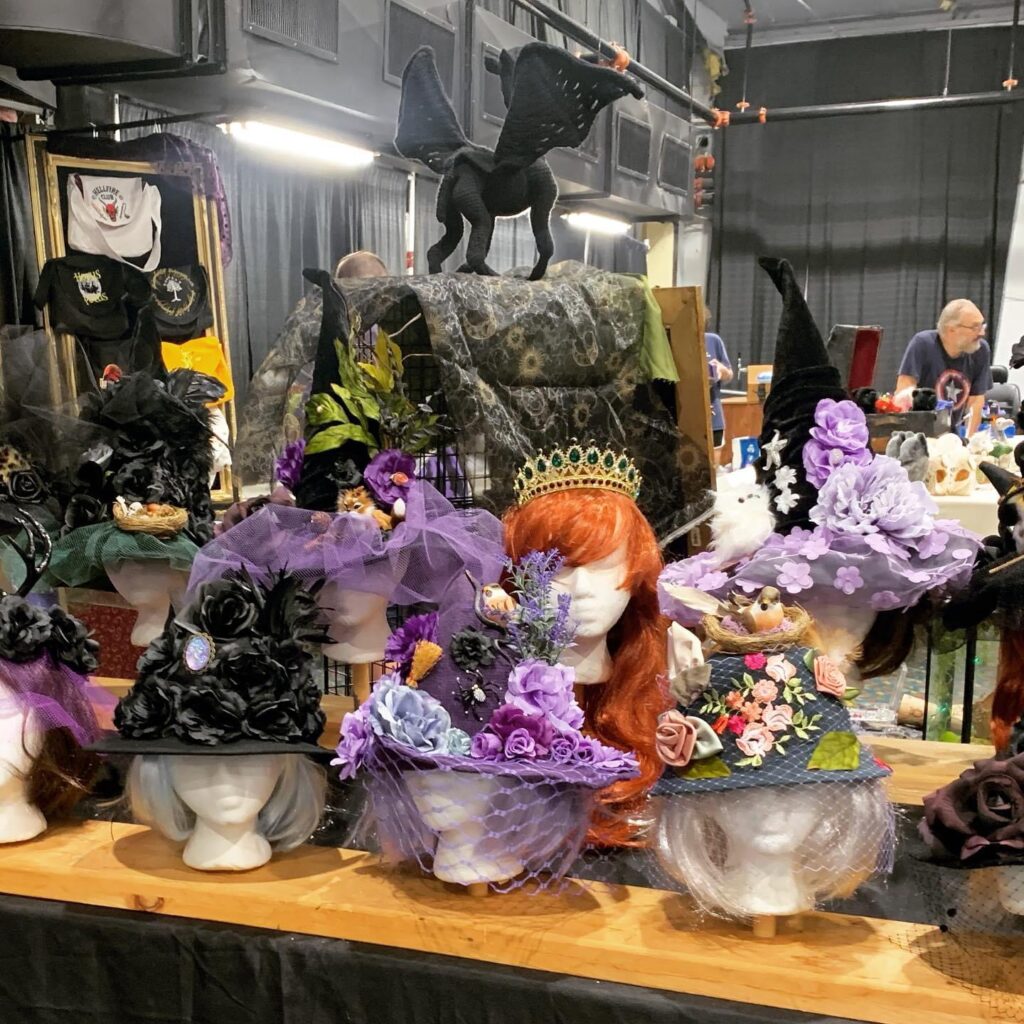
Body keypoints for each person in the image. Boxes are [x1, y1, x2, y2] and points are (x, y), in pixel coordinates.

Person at [233, 251, 389, 482]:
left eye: (380, 285)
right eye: (361, 285)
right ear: (339, 287)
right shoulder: (310, 327)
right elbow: (278, 386)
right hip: (324, 441)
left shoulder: (396, 328)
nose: (372, 294)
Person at [896, 299, 992, 435]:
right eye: (974, 327)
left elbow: (976, 400)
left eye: (982, 325)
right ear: (951, 329)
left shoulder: (981, 350)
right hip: (917, 434)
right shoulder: (922, 343)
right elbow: (904, 392)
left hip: (952, 436)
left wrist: (969, 440)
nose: (982, 333)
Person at [705, 312, 733, 447]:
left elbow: (729, 374)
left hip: (713, 418)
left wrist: (722, 371)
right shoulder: (676, 341)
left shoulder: (713, 340)